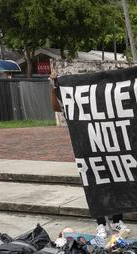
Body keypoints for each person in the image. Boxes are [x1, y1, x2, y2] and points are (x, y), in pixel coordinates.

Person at [48, 74, 127, 239]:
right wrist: (55, 87)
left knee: (117, 185)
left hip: (112, 151)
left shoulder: (108, 106)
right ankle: (100, 224)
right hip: (89, 153)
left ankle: (117, 220)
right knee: (95, 187)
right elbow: (56, 107)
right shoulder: (78, 107)